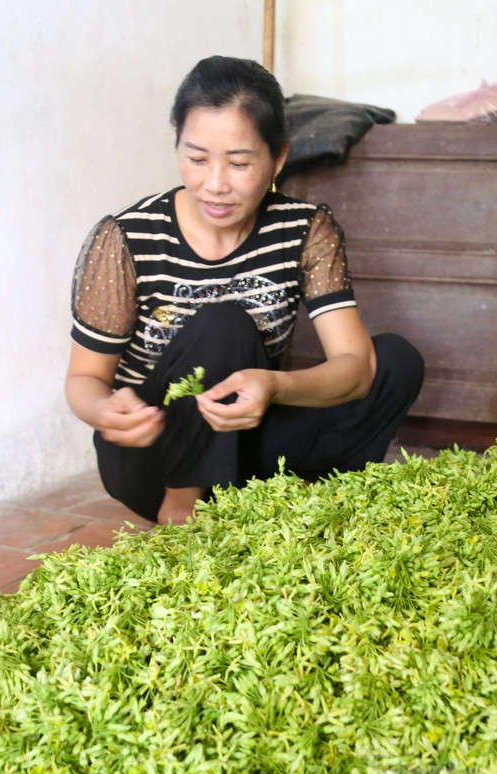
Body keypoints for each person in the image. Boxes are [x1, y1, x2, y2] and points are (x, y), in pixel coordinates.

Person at [64, 56, 424, 525]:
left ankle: (292, 504)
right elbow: (83, 380)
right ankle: (184, 511)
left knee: (395, 362)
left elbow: (355, 370)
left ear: (278, 158)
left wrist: (275, 386)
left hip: (246, 436)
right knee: (223, 324)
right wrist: (106, 411)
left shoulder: (303, 229)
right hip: (154, 455)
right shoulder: (128, 237)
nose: (215, 185)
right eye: (197, 158)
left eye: (239, 163)